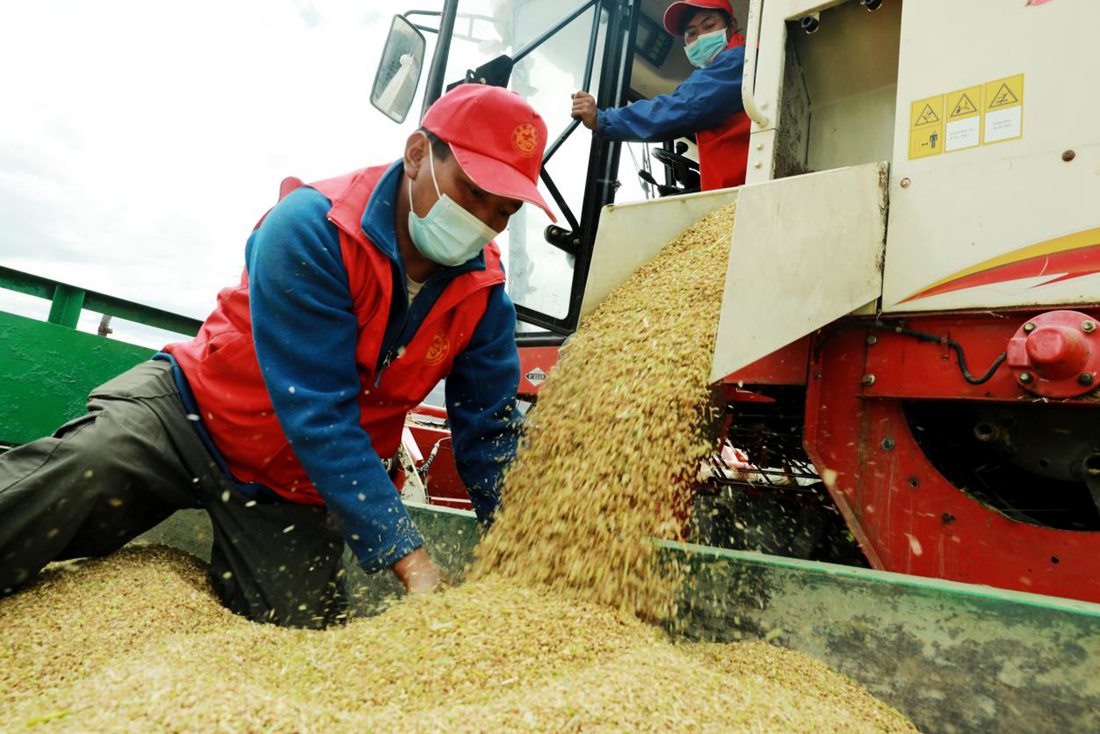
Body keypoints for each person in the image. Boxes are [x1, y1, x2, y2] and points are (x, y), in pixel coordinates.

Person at [0, 83, 554, 628]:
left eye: (503, 210)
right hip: (191, 419)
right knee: (76, 473)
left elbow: (488, 434)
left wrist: (519, 550)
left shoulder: (484, 298)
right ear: (417, 155)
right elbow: (317, 409)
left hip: (298, 488)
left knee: (294, 641)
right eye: (473, 190)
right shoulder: (316, 226)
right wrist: (409, 558)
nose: (483, 220)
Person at [570, 0, 749, 191]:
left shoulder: (739, 61)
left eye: (709, 26)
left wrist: (603, 119)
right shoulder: (727, 70)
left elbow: (682, 107)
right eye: (692, 33)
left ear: (732, 26)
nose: (701, 38)